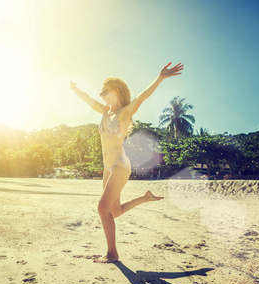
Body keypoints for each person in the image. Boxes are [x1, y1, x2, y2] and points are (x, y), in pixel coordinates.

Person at [70, 62, 184, 263]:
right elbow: (88, 100)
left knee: (102, 208)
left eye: (106, 91)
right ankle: (144, 198)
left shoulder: (124, 113)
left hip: (120, 165)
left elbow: (141, 97)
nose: (102, 95)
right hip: (107, 167)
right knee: (115, 211)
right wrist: (74, 89)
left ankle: (112, 253)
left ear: (116, 90)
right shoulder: (105, 112)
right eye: (101, 92)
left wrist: (159, 78)